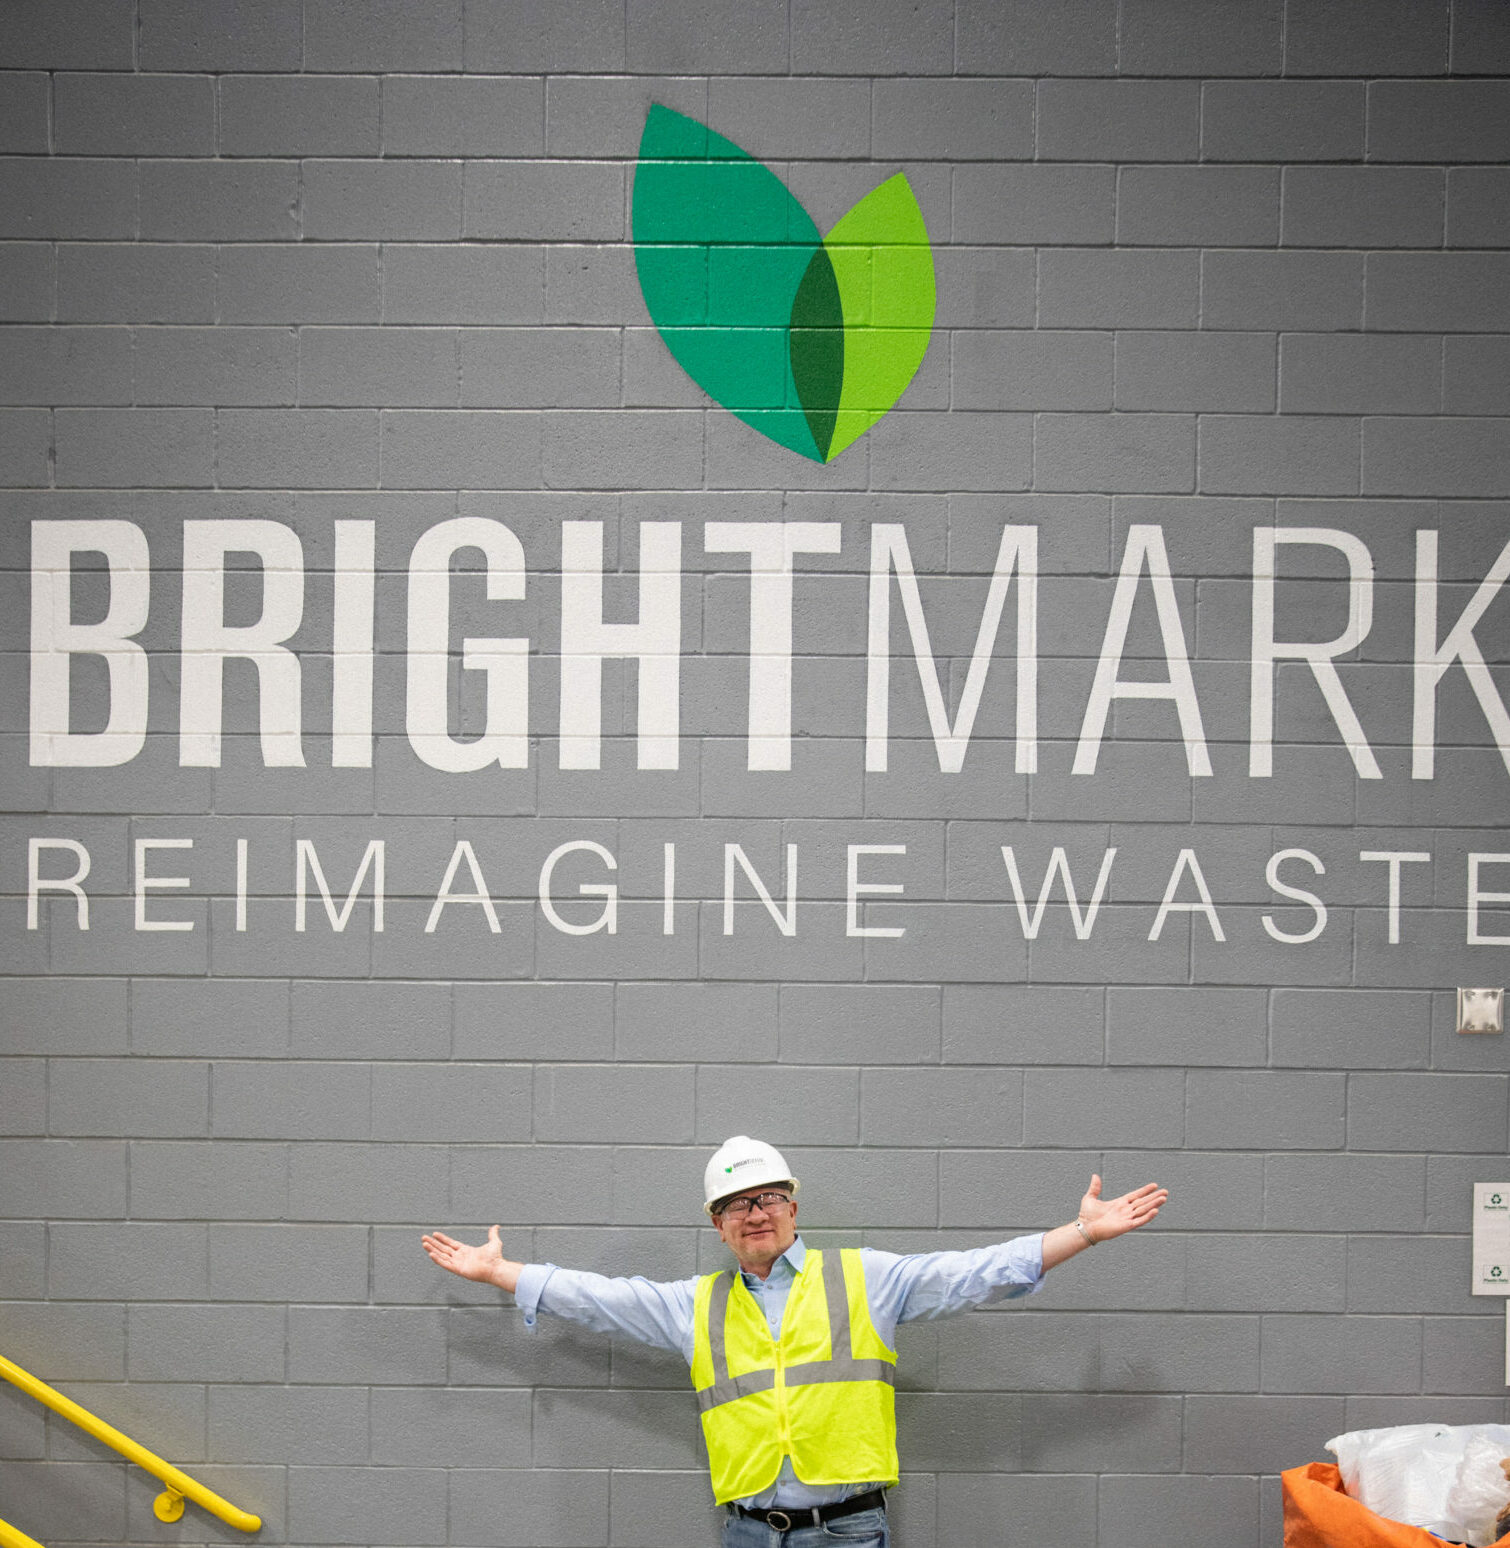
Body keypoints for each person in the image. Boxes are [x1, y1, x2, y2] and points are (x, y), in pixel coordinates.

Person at [422, 1135, 1168, 1546]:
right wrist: (502, 1274)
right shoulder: (694, 1305)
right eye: (736, 1205)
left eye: (769, 1198)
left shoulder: (864, 1279)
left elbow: (975, 1274)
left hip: (849, 1531)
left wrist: (1081, 1234)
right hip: (750, 1535)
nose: (755, 1214)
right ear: (717, 1224)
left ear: (793, 1206)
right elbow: (599, 1298)